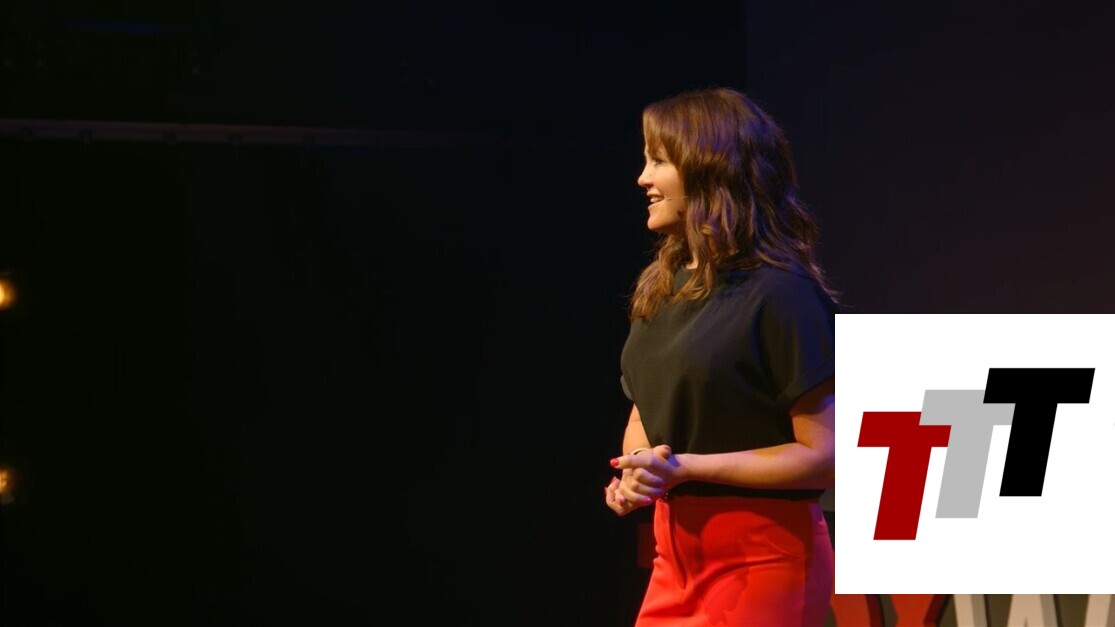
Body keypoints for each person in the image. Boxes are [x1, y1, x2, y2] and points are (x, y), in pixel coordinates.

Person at [604, 86, 838, 627]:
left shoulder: (781, 294)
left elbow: (825, 453)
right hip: (674, 557)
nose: (642, 178)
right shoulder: (660, 289)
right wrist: (639, 471)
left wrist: (686, 468)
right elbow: (644, 409)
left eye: (659, 161)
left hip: (762, 559)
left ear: (710, 170)